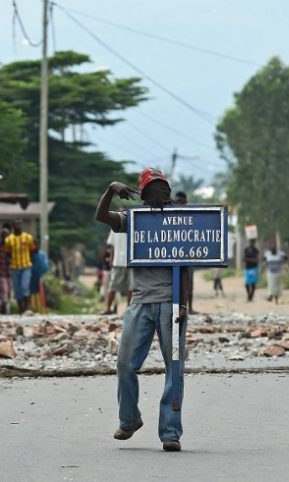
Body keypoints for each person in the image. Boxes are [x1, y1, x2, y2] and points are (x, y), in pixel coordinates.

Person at [95, 167, 188, 453]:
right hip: (139, 303)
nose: (158, 194)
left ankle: (170, 432)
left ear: (168, 193)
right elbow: (101, 216)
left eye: (162, 188)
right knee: (125, 364)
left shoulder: (181, 221)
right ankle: (129, 419)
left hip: (170, 304)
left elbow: (186, 266)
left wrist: (183, 302)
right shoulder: (133, 220)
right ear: (143, 195)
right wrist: (111, 189)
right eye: (153, 189)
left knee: (175, 368)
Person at [4, 220, 37, 314]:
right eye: (16, 224)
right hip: (15, 267)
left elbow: (32, 250)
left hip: (26, 266)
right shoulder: (9, 239)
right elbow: (7, 253)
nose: (18, 225)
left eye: (20, 224)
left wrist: (30, 259)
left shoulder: (27, 237)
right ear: (13, 226)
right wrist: (10, 261)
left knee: (24, 286)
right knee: (17, 289)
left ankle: (26, 308)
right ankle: (21, 310)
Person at [103, 223, 133, 315]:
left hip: (130, 260)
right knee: (113, 286)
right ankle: (108, 308)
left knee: (131, 287)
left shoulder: (132, 225)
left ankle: (128, 309)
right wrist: (111, 260)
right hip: (119, 261)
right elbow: (112, 246)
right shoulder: (114, 228)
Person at [0, 225, 12, 314]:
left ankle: (5, 306)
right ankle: (3, 306)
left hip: (10, 272)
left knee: (8, 290)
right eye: (4, 235)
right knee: (3, 289)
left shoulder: (12, 248)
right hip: (1, 271)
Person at [264, 240, 287, 304]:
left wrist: (282, 261)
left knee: (277, 285)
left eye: (274, 246)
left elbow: (286, 258)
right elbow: (264, 259)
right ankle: (270, 296)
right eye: (271, 246)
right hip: (270, 271)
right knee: (271, 284)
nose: (272, 247)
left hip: (278, 271)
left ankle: (276, 298)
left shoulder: (280, 253)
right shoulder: (267, 253)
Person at [29, 244, 50, 313]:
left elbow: (45, 265)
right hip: (31, 276)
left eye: (35, 245)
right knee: (32, 292)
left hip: (40, 276)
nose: (34, 246)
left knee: (41, 293)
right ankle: (33, 308)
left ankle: (42, 310)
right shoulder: (29, 255)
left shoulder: (41, 254)